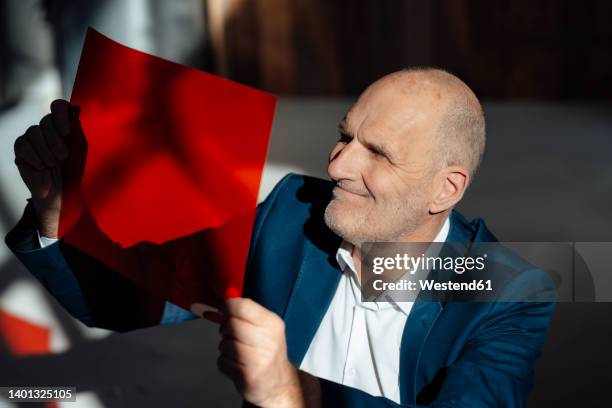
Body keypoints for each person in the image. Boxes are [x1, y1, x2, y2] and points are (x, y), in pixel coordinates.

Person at [6, 68, 555, 407]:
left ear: (445, 189)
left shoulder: (508, 292)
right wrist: (58, 211)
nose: (338, 165)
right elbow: (124, 298)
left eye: (379, 153)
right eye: (345, 135)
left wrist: (288, 396)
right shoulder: (293, 213)